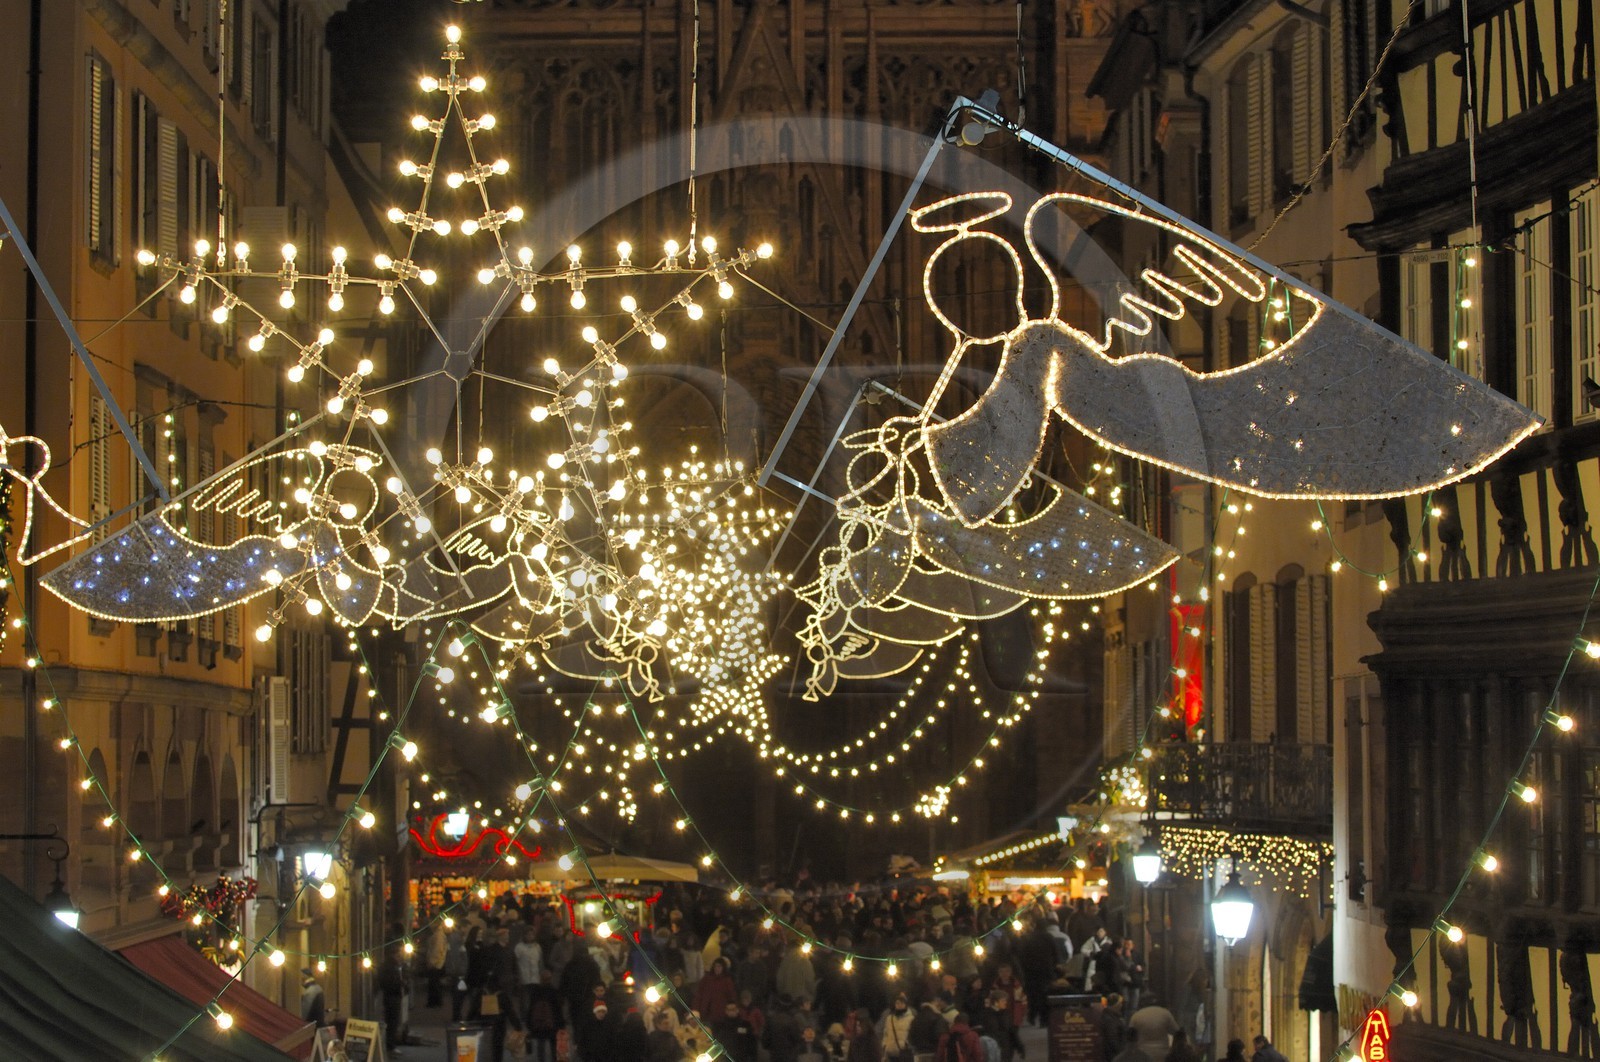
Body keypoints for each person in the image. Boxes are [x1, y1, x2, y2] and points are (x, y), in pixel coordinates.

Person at [878, 992, 915, 1062]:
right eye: (897, 1003)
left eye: (902, 1003)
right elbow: (885, 1034)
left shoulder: (911, 1019)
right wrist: (885, 1045)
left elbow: (913, 1035)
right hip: (890, 1054)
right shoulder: (889, 1018)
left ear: (906, 1005)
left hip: (903, 1054)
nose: (899, 1005)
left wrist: (906, 1045)